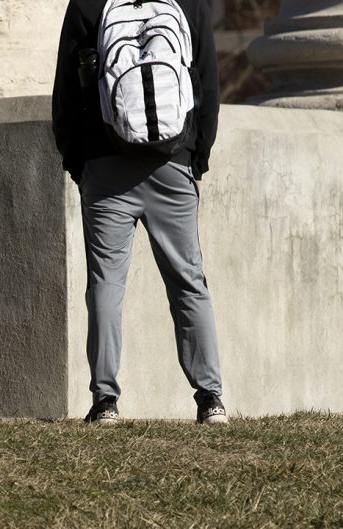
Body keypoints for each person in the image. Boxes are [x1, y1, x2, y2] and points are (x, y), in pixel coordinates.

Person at [53, 0, 228, 424]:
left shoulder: (88, 5)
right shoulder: (190, 4)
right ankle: (211, 399)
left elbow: (66, 93)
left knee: (106, 284)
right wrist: (197, 160)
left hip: (104, 164)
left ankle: (105, 401)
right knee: (188, 279)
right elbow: (208, 85)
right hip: (173, 163)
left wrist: (79, 164)